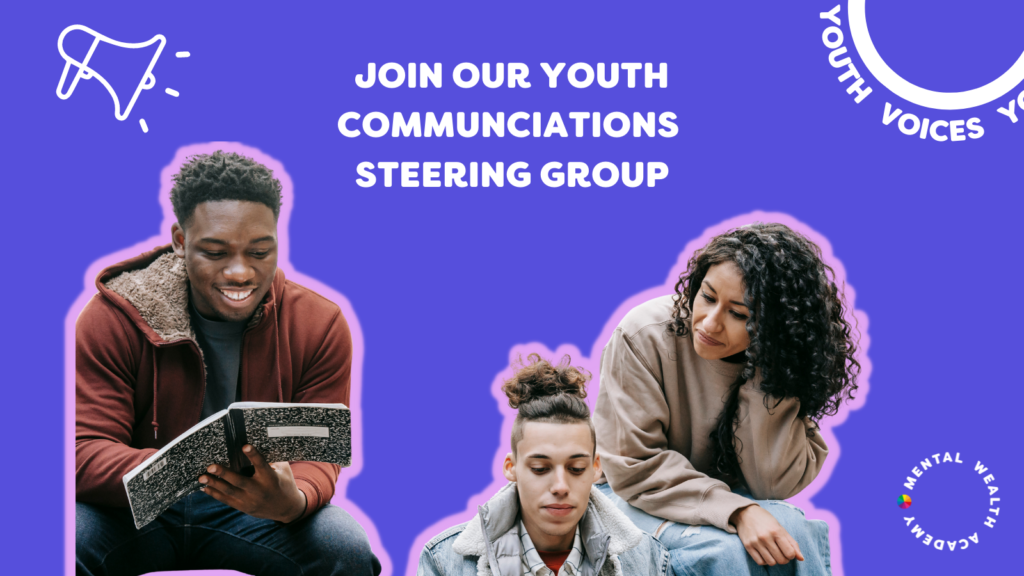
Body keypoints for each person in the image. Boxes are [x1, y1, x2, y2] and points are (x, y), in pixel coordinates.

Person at [76, 151, 381, 576]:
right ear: (181, 242)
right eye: (215, 252)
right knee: (64, 537)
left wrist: (292, 502)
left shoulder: (319, 325)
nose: (240, 272)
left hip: (254, 511)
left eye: (259, 251)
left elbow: (319, 447)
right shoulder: (113, 317)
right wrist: (186, 469)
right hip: (132, 512)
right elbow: (83, 452)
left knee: (342, 546)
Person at [594, 222, 860, 576]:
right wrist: (737, 511)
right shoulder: (644, 335)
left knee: (797, 533)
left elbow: (772, 483)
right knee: (724, 552)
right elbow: (635, 467)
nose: (710, 323)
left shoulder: (776, 361)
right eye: (707, 297)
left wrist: (764, 374)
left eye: (739, 314)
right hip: (633, 496)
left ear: (772, 328)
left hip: (724, 498)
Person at [417, 354, 670, 576]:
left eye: (576, 469)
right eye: (540, 469)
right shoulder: (444, 562)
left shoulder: (649, 560)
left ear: (595, 468)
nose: (560, 486)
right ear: (511, 467)